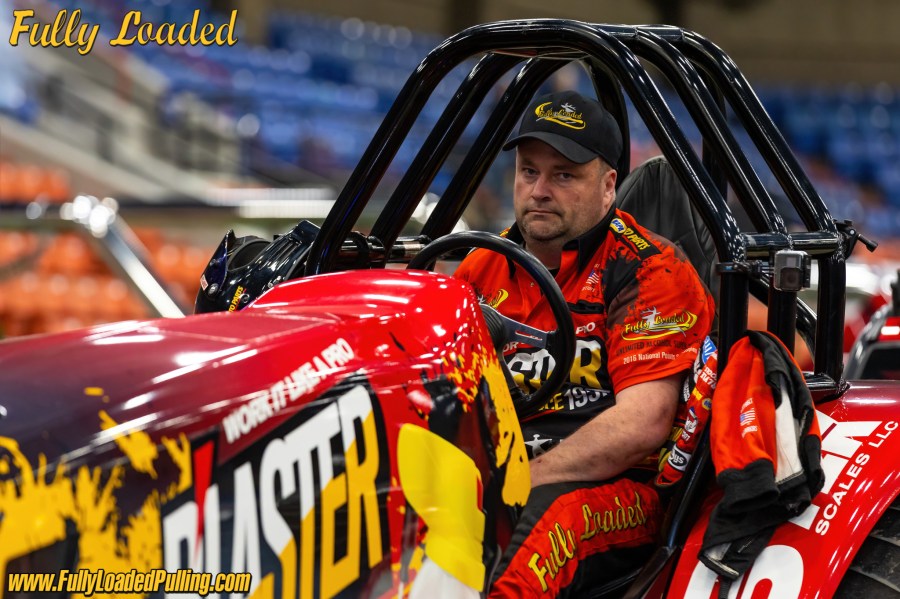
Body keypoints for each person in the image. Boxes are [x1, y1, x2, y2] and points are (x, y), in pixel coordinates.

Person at [453, 90, 715, 597]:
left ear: (608, 185)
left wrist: (521, 477)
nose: (539, 191)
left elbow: (641, 425)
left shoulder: (650, 270)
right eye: (529, 172)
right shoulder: (480, 266)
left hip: (622, 489)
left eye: (564, 176)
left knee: (520, 550)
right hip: (498, 471)